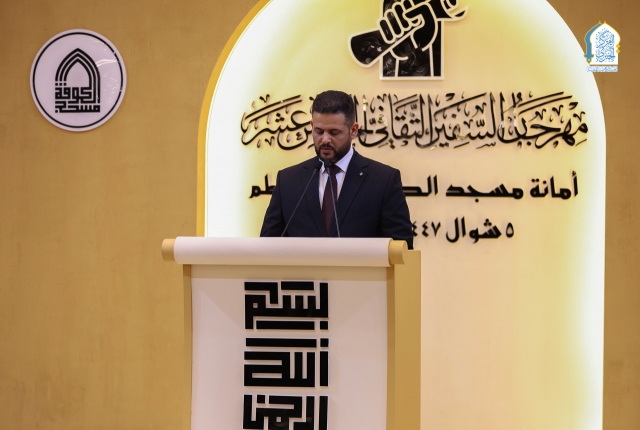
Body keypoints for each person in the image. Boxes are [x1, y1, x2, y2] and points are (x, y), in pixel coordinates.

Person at [260, 90, 413, 249]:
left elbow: (402, 248)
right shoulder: (288, 181)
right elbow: (267, 246)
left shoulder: (383, 180)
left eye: (334, 132)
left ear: (353, 130)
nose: (325, 139)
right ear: (311, 126)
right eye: (319, 131)